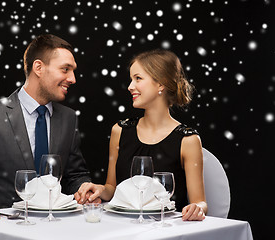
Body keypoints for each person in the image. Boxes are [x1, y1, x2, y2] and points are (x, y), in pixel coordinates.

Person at [0, 34, 97, 223]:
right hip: (4, 226)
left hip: (57, 225)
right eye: (65, 69)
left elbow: (75, 175)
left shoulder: (68, 118)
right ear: (38, 67)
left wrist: (85, 189)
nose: (72, 79)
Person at [75, 49, 207, 221]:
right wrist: (100, 189)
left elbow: (200, 202)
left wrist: (197, 208)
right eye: (131, 79)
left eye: (138, 78)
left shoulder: (188, 140)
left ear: (161, 84)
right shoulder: (120, 130)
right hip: (121, 226)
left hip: (166, 230)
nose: (130, 86)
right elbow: (112, 187)